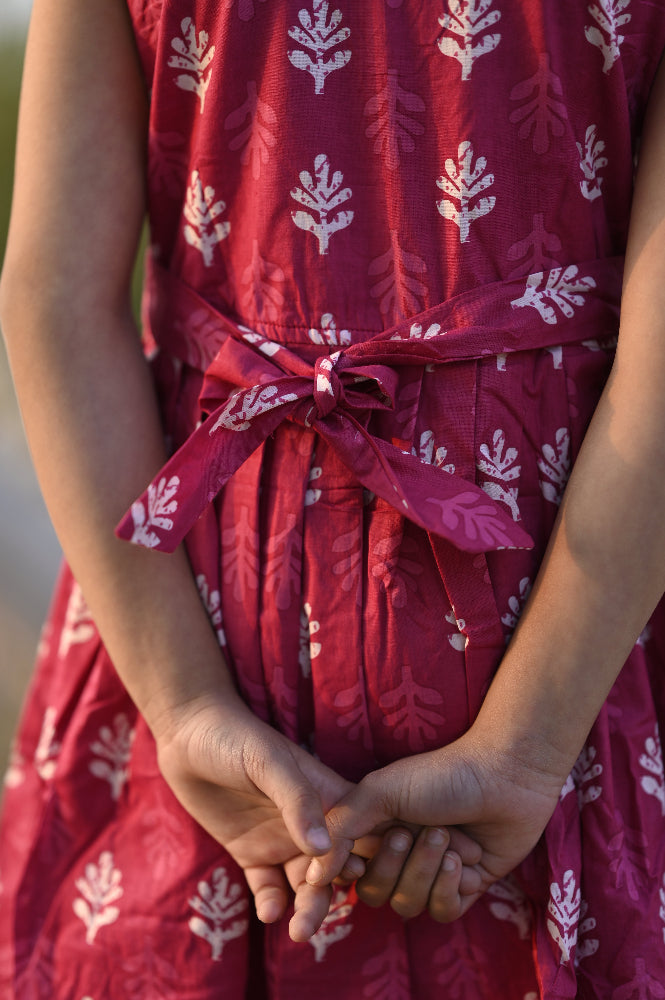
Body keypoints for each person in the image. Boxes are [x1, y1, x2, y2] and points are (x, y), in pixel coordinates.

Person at [1, 0, 665, 997]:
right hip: (239, 671)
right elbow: (54, 299)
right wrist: (181, 704)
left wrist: (186, 705)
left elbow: (57, 297)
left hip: (213, 636)